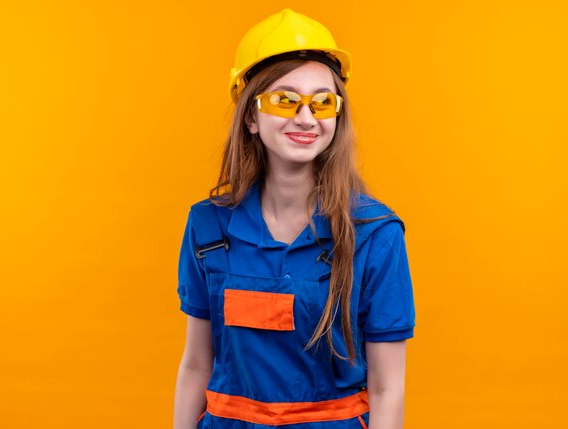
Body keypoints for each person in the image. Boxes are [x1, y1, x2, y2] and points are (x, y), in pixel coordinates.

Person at [174, 8, 416, 429]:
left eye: (323, 102)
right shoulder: (208, 227)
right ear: (251, 116)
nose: (306, 118)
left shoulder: (374, 234)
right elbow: (196, 366)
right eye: (285, 99)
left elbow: (387, 390)